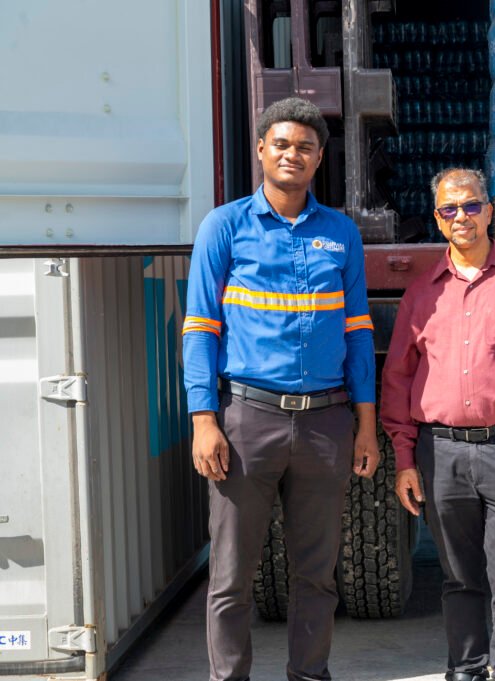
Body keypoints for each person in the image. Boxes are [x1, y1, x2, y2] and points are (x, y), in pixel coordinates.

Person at [183, 97, 379, 681]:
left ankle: (309, 675)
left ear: (318, 159)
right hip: (247, 421)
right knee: (230, 577)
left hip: (325, 424)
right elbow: (200, 328)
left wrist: (366, 426)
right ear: (262, 150)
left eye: (306, 147)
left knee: (317, 576)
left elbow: (358, 333)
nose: (293, 154)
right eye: (283, 144)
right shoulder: (224, 226)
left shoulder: (340, 233)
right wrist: (203, 418)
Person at [380, 167, 495, 681]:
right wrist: (404, 459)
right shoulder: (421, 294)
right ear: (438, 219)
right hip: (440, 454)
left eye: (470, 205)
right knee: (459, 578)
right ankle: (465, 668)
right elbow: (398, 379)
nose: (460, 216)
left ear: (488, 211)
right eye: (449, 209)